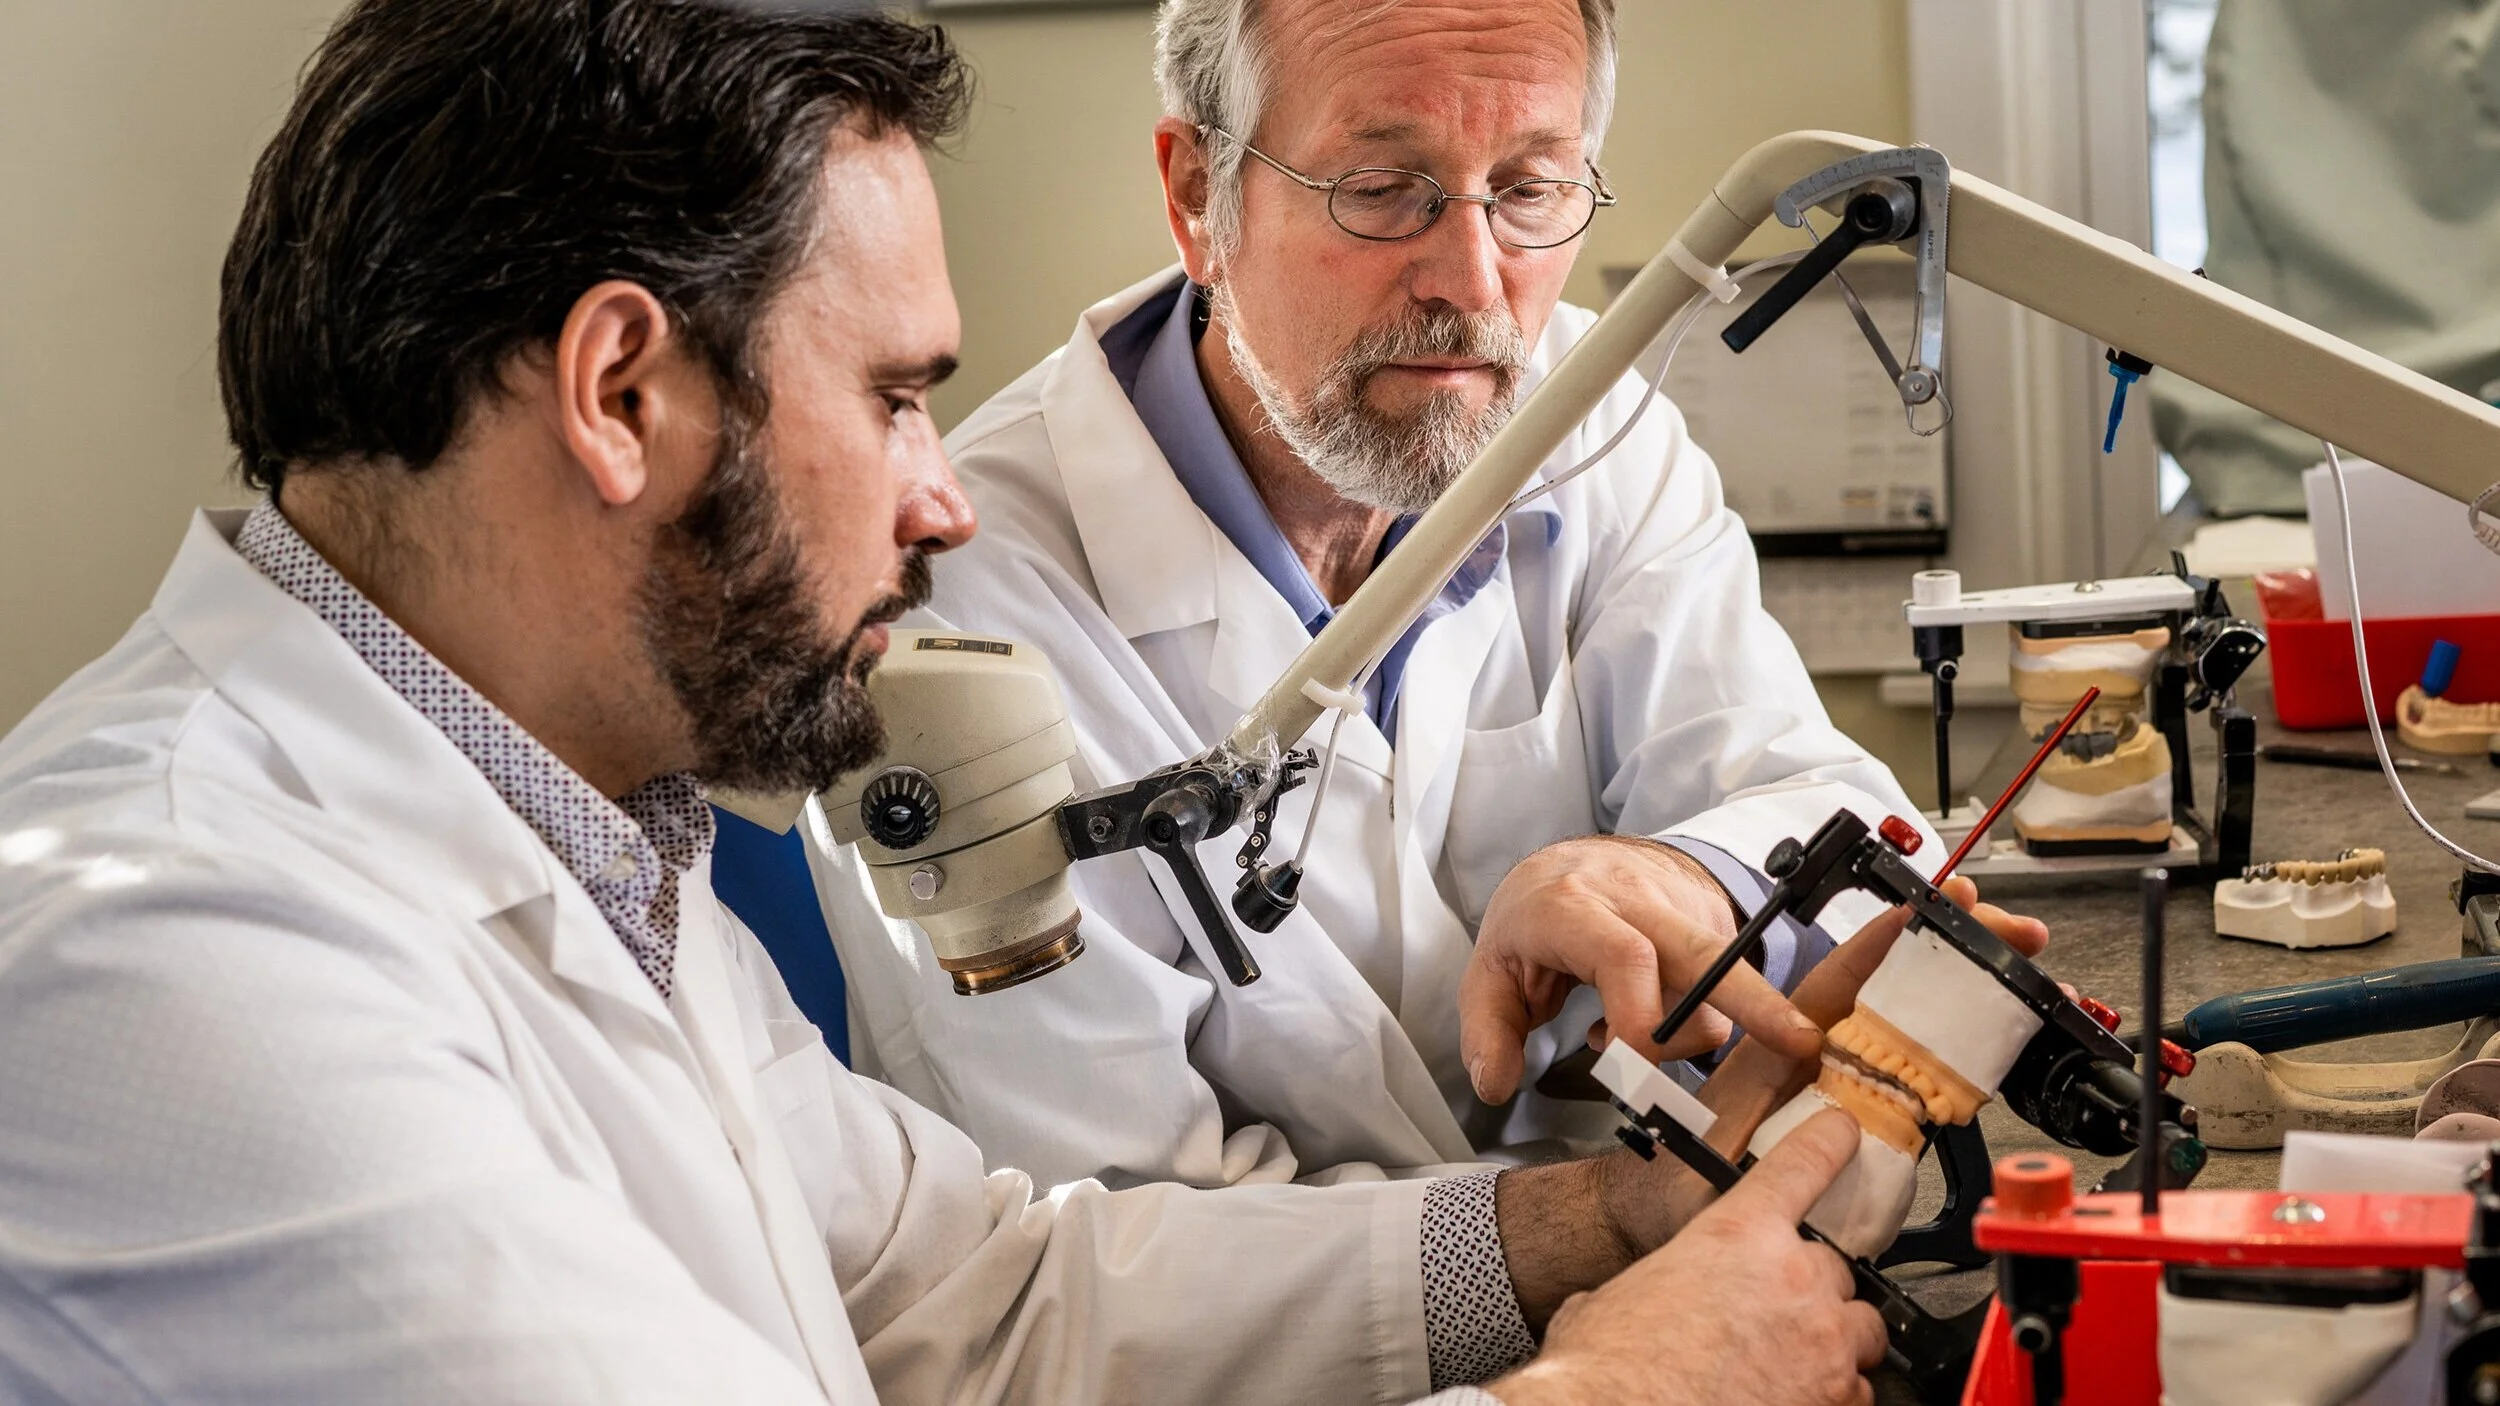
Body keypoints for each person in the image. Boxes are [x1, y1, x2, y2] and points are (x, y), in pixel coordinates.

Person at [0, 3, 2048, 1402]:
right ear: (623, 393)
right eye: (890, 394)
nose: (942, 488)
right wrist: (1612, 1385)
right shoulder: (177, 954)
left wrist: (1583, 1222)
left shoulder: (590, 838)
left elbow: (985, 1296)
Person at [809, 0, 1975, 1192]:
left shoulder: (1597, 424)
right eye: (1381, 187)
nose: (1471, 283)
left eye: (1528, 188)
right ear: (1198, 195)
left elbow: (1828, 807)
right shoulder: (949, 604)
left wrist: (1671, 876)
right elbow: (1104, 1234)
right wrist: (1612, 1227)